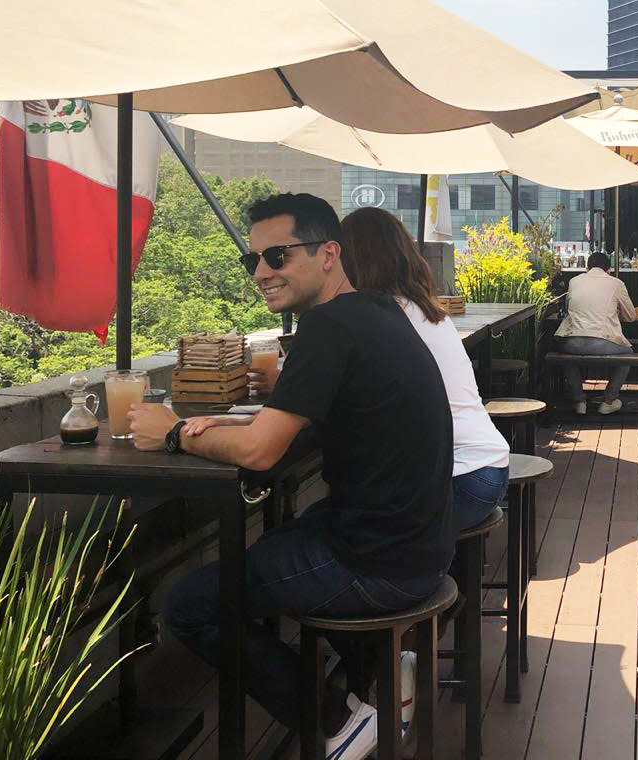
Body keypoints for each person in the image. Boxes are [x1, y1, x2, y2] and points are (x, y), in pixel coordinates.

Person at [127, 193, 455, 760]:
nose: (261, 272)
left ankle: (334, 722)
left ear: (329, 254)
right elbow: (306, 424)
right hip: (420, 544)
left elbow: (258, 451)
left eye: (277, 256)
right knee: (278, 541)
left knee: (188, 603)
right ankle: (378, 671)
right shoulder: (376, 311)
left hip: (382, 564)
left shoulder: (329, 326)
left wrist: (175, 432)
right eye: (252, 260)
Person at [339, 206, 510, 532]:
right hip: (487, 467)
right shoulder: (424, 309)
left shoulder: (383, 318)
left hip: (460, 480)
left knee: (334, 527)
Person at [555, 250, 636, 414]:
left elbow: (569, 307)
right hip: (603, 341)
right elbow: (631, 316)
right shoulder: (616, 283)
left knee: (568, 358)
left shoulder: (573, 281)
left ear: (587, 268)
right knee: (628, 355)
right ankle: (608, 400)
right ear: (608, 270)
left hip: (572, 342)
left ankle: (579, 401)